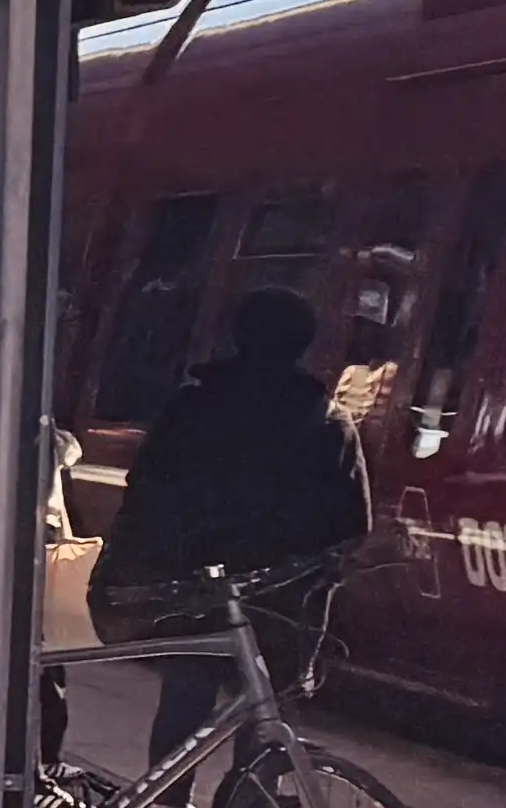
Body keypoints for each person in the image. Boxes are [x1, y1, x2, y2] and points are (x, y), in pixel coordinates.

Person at [95, 284, 368, 774]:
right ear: (304, 344)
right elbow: (352, 525)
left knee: (185, 697)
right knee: (269, 709)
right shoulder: (328, 422)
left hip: (196, 585)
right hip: (283, 600)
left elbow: (147, 488)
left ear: (237, 335)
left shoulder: (191, 408)